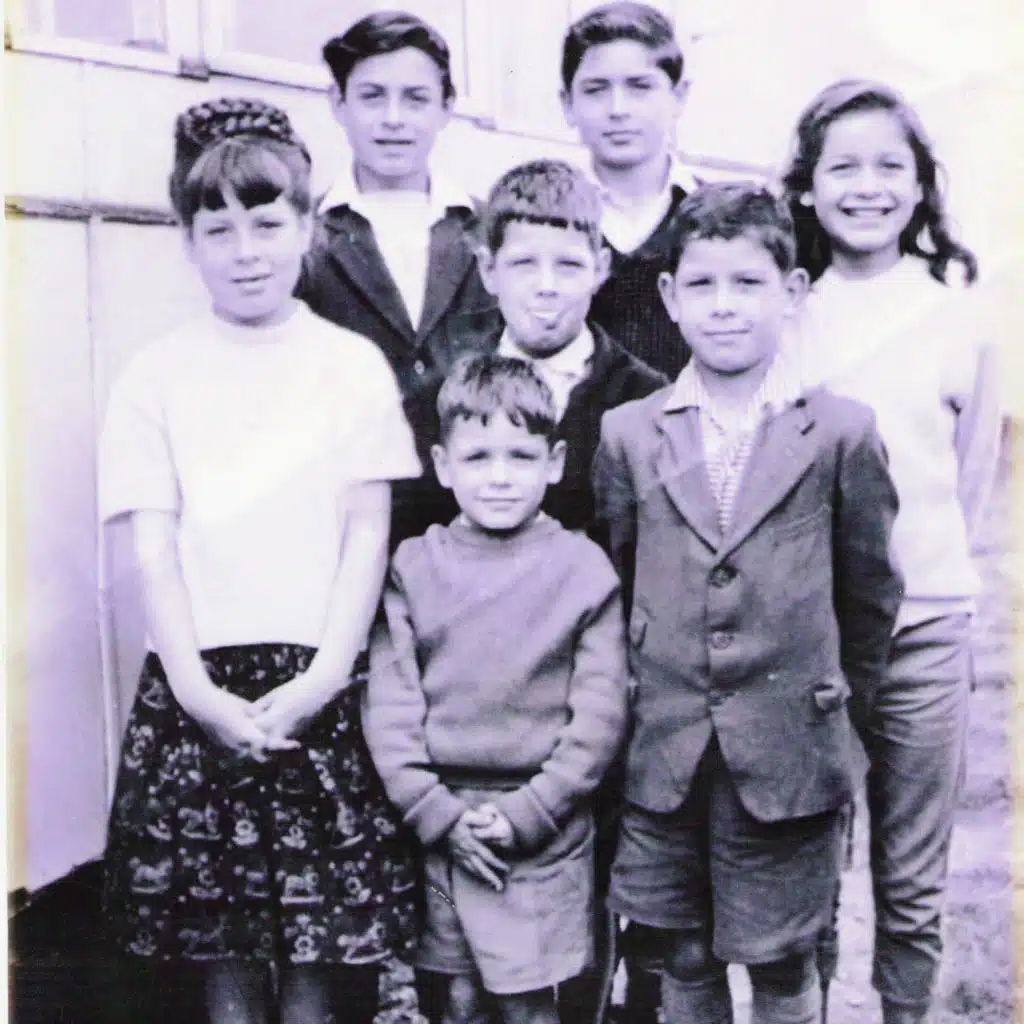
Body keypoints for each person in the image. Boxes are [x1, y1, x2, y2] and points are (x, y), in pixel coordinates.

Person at [99, 97, 422, 1024]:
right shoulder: (156, 375)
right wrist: (198, 694)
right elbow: (155, 547)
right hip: (201, 693)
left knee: (319, 950)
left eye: (268, 225)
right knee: (226, 946)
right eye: (220, 230)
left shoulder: (350, 365)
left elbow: (366, 535)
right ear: (189, 243)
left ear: (308, 229)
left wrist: (324, 676)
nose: (246, 252)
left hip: (320, 685)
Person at [591, 181, 903, 1024]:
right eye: (701, 284)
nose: (723, 306)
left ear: (791, 292)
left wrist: (836, 718)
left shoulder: (838, 431)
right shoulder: (631, 433)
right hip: (667, 750)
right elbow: (621, 574)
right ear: (669, 296)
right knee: (682, 952)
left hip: (788, 749)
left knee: (780, 957)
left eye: (748, 283)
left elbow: (869, 597)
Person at [783, 80, 1002, 1024]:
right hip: (809, 639)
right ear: (806, 187)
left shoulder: (958, 316)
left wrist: (923, 579)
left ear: (919, 187)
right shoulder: (787, 311)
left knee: (911, 879)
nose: (866, 187)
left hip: (924, 635)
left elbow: (970, 474)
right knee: (808, 871)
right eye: (843, 167)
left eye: (889, 167)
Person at [364, 354, 630, 1024]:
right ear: (443, 465)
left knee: (528, 1005)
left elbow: (599, 716)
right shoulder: (414, 566)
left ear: (554, 462)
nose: (500, 477)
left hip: (543, 823)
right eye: (478, 458)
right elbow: (390, 707)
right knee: (454, 1002)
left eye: (521, 456)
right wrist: (435, 813)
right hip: (440, 821)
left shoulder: (582, 569)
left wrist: (530, 813)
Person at [299, 9, 501, 545]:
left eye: (415, 98)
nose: (394, 119)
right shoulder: (303, 238)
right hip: (347, 518)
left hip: (477, 518)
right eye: (372, 96)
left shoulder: (489, 230)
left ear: (446, 107)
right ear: (338, 103)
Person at [399, 157, 667, 544]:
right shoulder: (435, 401)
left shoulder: (645, 399)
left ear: (599, 269)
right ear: (489, 271)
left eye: (568, 265)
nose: (547, 286)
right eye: (524, 264)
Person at [560, 1, 697, 380]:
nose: (618, 109)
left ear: (678, 96)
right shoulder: (547, 219)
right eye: (596, 90)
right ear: (567, 104)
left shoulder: (718, 216)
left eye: (640, 87)